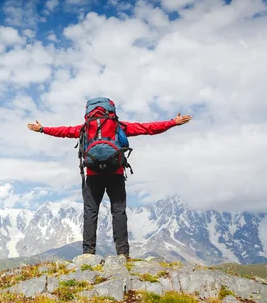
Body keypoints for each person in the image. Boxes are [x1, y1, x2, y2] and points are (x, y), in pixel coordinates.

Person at [27, 97, 192, 258]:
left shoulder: (84, 128)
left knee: (90, 212)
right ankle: (122, 253)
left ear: (88, 112)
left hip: (93, 175)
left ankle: (88, 253)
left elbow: (63, 131)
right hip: (116, 173)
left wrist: (43, 129)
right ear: (111, 110)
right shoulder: (118, 126)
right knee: (118, 212)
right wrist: (172, 122)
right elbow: (147, 128)